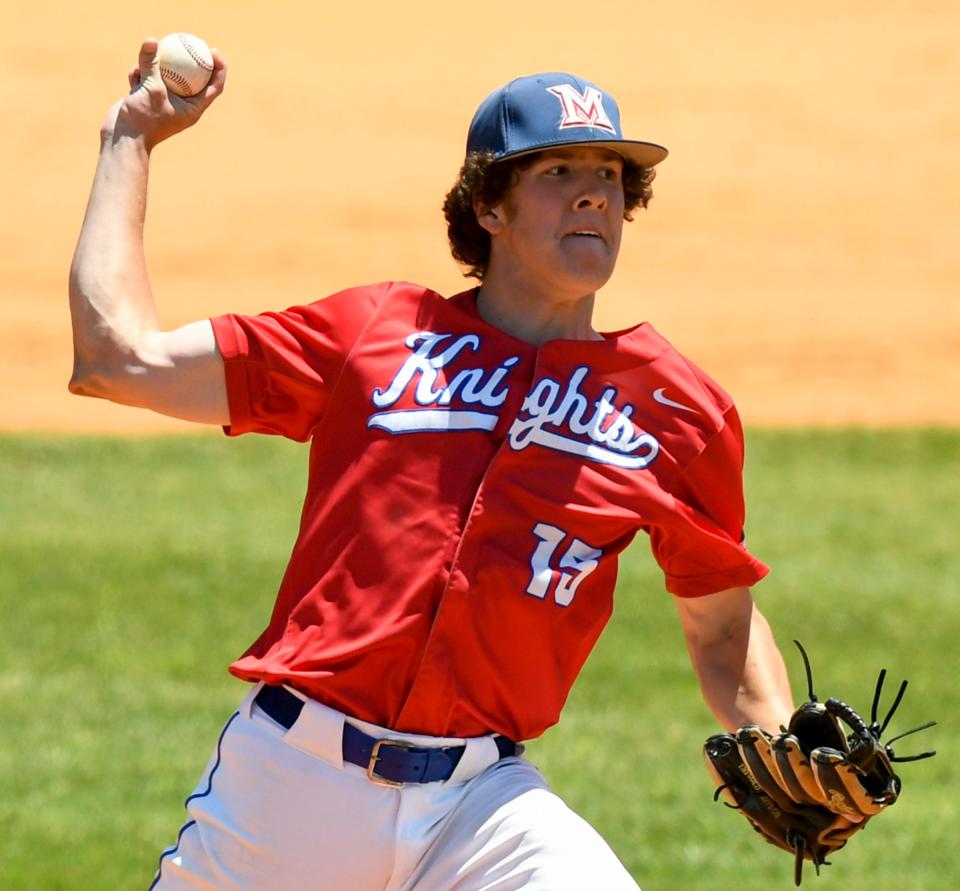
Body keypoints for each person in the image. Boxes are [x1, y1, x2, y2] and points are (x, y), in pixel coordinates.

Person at [69, 37, 796, 891]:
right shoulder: (378, 333)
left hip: (481, 804)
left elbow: (720, 623)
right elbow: (117, 359)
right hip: (296, 786)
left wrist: (783, 738)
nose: (595, 190)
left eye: (609, 174)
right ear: (488, 206)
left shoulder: (677, 409)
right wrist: (130, 136)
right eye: (557, 172)